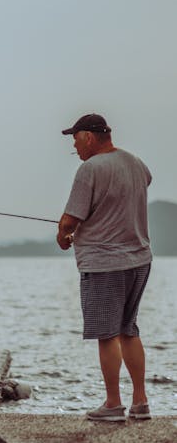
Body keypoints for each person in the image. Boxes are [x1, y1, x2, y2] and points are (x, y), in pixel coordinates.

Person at [57, 113, 152, 422]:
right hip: (139, 259)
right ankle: (141, 402)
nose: (75, 146)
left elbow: (70, 219)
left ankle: (113, 404)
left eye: (76, 139)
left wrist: (63, 235)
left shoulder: (90, 169)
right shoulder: (135, 162)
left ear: (89, 136)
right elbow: (143, 183)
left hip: (104, 264)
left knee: (107, 334)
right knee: (129, 329)